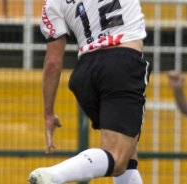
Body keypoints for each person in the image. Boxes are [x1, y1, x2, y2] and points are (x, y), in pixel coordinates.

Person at [28, 0, 151, 183]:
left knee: (127, 159)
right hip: (122, 64)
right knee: (116, 157)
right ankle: (54, 176)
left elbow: (52, 62)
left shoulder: (52, 3)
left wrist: (48, 113)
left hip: (85, 74)